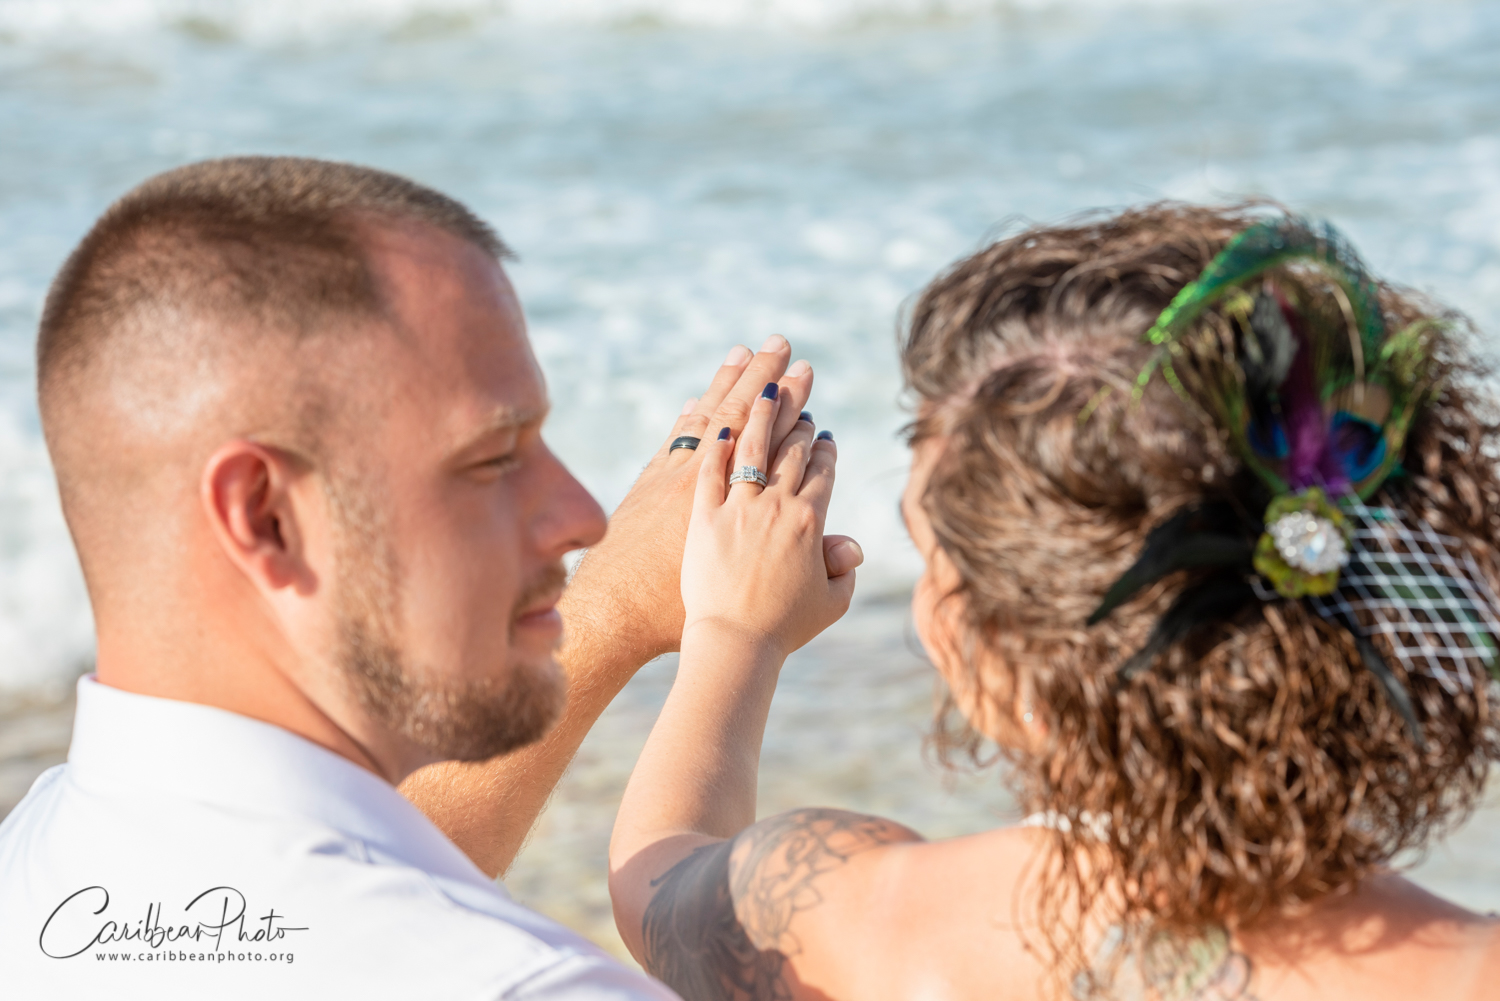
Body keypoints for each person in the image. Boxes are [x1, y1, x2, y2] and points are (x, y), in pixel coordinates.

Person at [0, 155, 862, 998]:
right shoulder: (520, 981)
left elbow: (343, 868)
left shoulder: (35, 864)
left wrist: (617, 607)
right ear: (263, 514)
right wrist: (734, 639)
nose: (586, 517)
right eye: (494, 457)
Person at [606, 204, 1500, 1000]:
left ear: (1004, 665)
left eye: (935, 556)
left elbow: (656, 867)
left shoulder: (877, 928)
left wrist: (734, 632)